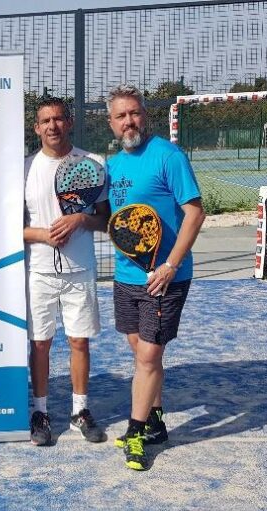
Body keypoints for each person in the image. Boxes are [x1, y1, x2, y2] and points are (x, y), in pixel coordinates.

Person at [105, 85, 205, 471]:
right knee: (140, 351)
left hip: (164, 278)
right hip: (126, 275)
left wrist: (170, 267)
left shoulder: (169, 156)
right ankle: (156, 421)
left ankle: (136, 432)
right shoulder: (113, 166)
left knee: (148, 355)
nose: (129, 121)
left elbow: (195, 213)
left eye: (135, 113)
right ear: (111, 123)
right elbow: (115, 222)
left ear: (145, 115)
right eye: (121, 116)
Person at [22, 97, 110, 447]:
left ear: (69, 122)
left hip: (80, 270)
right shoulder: (23, 169)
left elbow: (105, 221)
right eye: (46, 121)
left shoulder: (93, 163)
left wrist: (80, 219)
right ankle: (40, 412)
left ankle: (79, 411)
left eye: (59, 119)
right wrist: (43, 234)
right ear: (37, 128)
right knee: (40, 344)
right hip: (38, 272)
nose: (53, 126)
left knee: (79, 341)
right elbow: (10, 229)